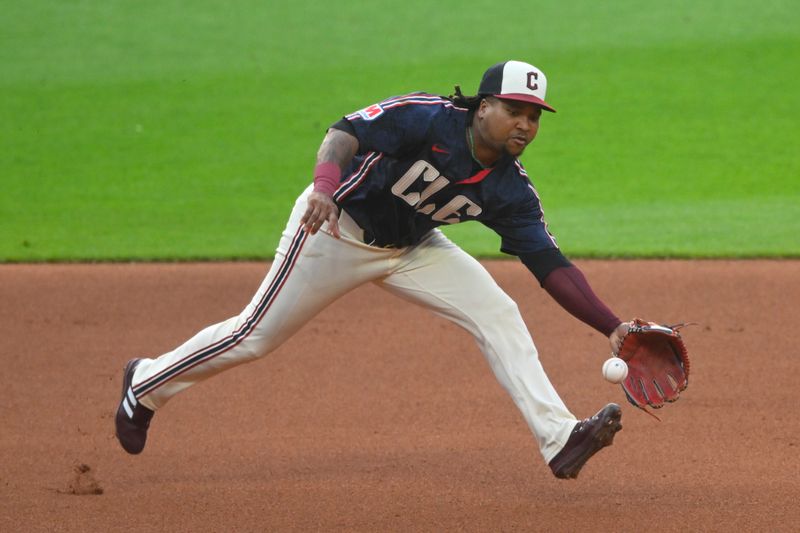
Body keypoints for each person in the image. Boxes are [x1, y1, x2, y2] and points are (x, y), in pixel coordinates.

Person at [115, 60, 631, 479]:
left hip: (415, 248)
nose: (525, 124)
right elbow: (344, 133)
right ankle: (145, 383)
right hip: (335, 230)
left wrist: (613, 327)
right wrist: (322, 187)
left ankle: (559, 437)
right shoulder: (428, 118)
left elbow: (550, 266)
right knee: (255, 336)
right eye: (515, 110)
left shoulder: (510, 190)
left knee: (498, 312)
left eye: (534, 116)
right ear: (482, 106)